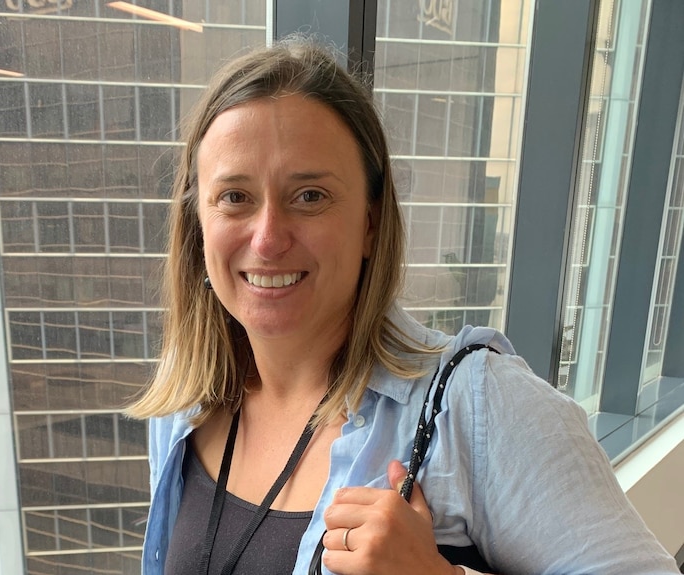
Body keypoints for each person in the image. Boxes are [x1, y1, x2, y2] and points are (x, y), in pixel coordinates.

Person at [127, 37, 680, 575]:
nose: (268, 238)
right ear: (198, 225)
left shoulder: (477, 406)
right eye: (235, 197)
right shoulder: (187, 405)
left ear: (370, 222)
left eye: (310, 196)